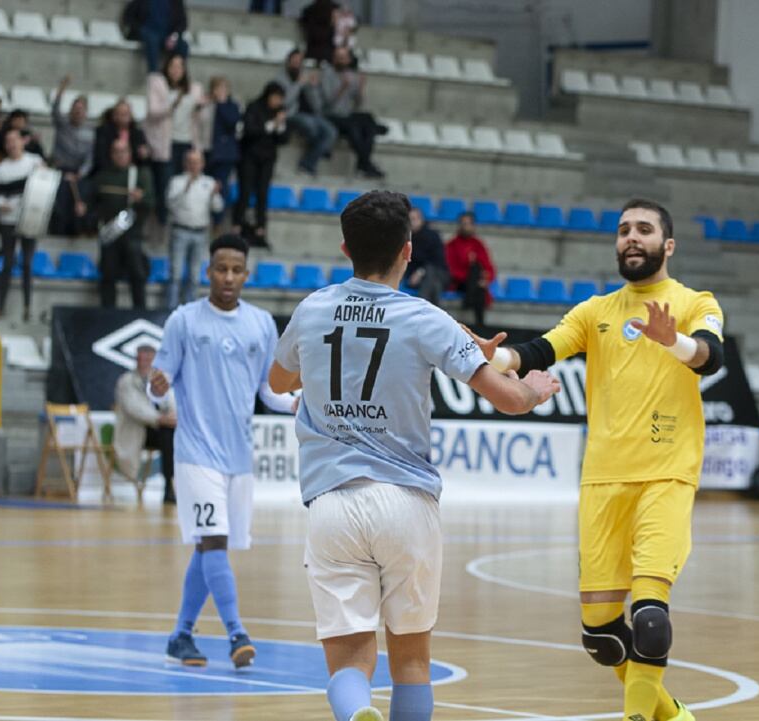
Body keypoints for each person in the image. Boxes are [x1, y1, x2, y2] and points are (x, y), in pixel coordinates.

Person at [268, 190, 560, 721]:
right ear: (408, 251)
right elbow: (512, 399)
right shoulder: (427, 318)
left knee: (349, 664)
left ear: (344, 248)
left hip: (331, 504)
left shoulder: (313, 309)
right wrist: (536, 385)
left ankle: (357, 711)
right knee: (412, 659)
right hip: (406, 503)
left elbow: (279, 378)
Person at [463, 198, 725, 721]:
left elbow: (710, 355)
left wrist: (671, 341)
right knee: (602, 637)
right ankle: (673, 716)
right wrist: (493, 355)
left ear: (666, 245)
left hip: (666, 475)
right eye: (624, 229)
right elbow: (538, 351)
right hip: (603, 481)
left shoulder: (696, 302)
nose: (632, 237)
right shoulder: (595, 310)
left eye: (644, 230)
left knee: (650, 621)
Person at [148, 233, 297, 668]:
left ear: (246, 275)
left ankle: (181, 635)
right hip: (195, 454)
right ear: (207, 271)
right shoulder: (184, 321)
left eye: (236, 270)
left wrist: (297, 404)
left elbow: (267, 390)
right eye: (220, 269)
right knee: (214, 542)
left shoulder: (262, 324)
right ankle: (237, 634)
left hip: (238, 458)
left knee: (208, 547)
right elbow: (158, 381)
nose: (227, 277)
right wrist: (156, 390)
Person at [87, 139, 154, 309]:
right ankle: (108, 314)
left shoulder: (140, 174)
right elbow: (92, 203)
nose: (120, 155)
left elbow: (152, 202)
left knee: (137, 275)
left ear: (129, 154)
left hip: (133, 234)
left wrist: (141, 198)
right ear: (111, 155)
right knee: (108, 275)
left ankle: (140, 313)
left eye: (123, 151)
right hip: (110, 234)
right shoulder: (103, 176)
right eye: (116, 151)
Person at [0, 129, 43, 321]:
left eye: (15, 140)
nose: (12, 144)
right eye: (8, 141)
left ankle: (27, 307)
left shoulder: (34, 161)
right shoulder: (2, 168)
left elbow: (44, 184)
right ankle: (0, 306)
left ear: (23, 141)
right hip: (8, 218)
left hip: (30, 217)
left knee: (27, 263)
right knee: (8, 261)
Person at [144, 54, 203, 226]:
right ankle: (162, 222)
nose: (176, 70)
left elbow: (199, 118)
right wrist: (172, 104)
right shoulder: (158, 84)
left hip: (187, 143)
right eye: (173, 66)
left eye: (180, 66)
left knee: (185, 184)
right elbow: (153, 112)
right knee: (165, 187)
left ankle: (181, 222)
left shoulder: (194, 89)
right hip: (165, 145)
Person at [114, 344, 176, 504]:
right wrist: (160, 419)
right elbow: (135, 408)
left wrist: (172, 416)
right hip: (137, 432)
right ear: (137, 358)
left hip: (161, 430)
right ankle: (170, 486)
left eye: (150, 358)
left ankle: (172, 484)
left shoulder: (160, 379)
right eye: (143, 357)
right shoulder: (126, 381)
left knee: (171, 435)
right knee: (167, 434)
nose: (146, 361)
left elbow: (171, 400)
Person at [232, 81, 287, 248]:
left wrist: (280, 127)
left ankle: (260, 229)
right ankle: (237, 227)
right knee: (245, 192)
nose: (277, 101)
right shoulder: (254, 108)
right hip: (249, 157)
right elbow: (250, 131)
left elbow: (283, 139)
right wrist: (271, 125)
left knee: (263, 194)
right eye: (275, 97)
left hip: (267, 159)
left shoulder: (280, 113)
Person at [166, 149, 219, 308]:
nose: (194, 165)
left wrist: (214, 195)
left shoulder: (209, 182)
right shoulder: (177, 181)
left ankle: (191, 311)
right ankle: (171, 310)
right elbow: (170, 205)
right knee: (175, 273)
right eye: (191, 161)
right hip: (180, 230)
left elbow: (217, 207)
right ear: (185, 163)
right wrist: (186, 188)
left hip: (201, 232)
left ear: (202, 164)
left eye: (197, 161)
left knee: (195, 275)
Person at [320, 47, 384, 179]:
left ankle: (363, 164)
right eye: (338, 57)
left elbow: (358, 104)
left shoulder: (351, 75)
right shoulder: (327, 74)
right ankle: (365, 165)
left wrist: (361, 88)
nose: (340, 60)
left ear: (349, 60)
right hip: (331, 115)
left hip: (348, 115)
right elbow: (327, 103)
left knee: (369, 122)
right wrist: (342, 88)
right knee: (354, 128)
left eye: (343, 57)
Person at [274, 48, 335, 177]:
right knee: (309, 125)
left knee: (331, 131)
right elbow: (284, 102)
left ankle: (309, 163)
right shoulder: (280, 78)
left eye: (299, 61)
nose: (297, 64)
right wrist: (298, 84)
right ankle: (321, 149)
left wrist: (313, 87)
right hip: (290, 115)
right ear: (288, 61)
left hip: (311, 115)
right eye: (294, 61)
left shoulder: (305, 77)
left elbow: (317, 106)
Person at [49, 76, 94, 236]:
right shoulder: (63, 125)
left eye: (80, 110)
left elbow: (90, 158)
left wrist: (79, 174)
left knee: (82, 199)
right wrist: (61, 89)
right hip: (60, 170)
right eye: (75, 109)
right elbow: (54, 110)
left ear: (85, 113)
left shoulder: (90, 134)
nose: (77, 113)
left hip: (79, 173)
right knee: (59, 200)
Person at [200, 76, 239, 225]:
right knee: (204, 186)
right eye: (217, 88)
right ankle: (204, 217)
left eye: (224, 88)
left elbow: (232, 122)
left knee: (220, 186)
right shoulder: (206, 104)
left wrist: (222, 104)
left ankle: (218, 220)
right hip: (206, 151)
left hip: (223, 155)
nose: (220, 91)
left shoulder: (231, 106)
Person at [445, 212, 496, 327]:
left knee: (477, 276)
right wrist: (468, 276)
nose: (466, 226)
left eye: (469, 224)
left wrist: (485, 280)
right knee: (475, 274)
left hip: (475, 283)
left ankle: (470, 301)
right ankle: (480, 327)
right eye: (464, 224)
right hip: (459, 283)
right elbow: (450, 269)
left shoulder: (478, 245)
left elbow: (488, 267)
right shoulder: (451, 245)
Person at [91, 99, 150, 176]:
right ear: (114, 115)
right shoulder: (104, 131)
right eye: (121, 114)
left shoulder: (137, 133)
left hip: (132, 172)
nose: (124, 117)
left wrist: (144, 155)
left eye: (126, 113)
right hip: (109, 171)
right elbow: (100, 157)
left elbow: (143, 159)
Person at [404, 206, 448, 307]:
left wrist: (420, 272)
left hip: (439, 274)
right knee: (435, 284)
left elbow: (438, 262)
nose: (412, 223)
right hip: (416, 279)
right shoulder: (406, 239)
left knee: (430, 272)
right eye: (409, 220)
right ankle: (434, 315)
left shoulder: (433, 236)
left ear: (421, 219)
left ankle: (421, 308)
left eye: (414, 219)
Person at [136, 0, 188, 74]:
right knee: (152, 39)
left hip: (168, 35)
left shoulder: (176, 1)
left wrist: (174, 36)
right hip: (149, 33)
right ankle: (153, 75)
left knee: (183, 46)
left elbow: (183, 22)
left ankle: (179, 76)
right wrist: (140, 29)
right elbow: (129, 16)